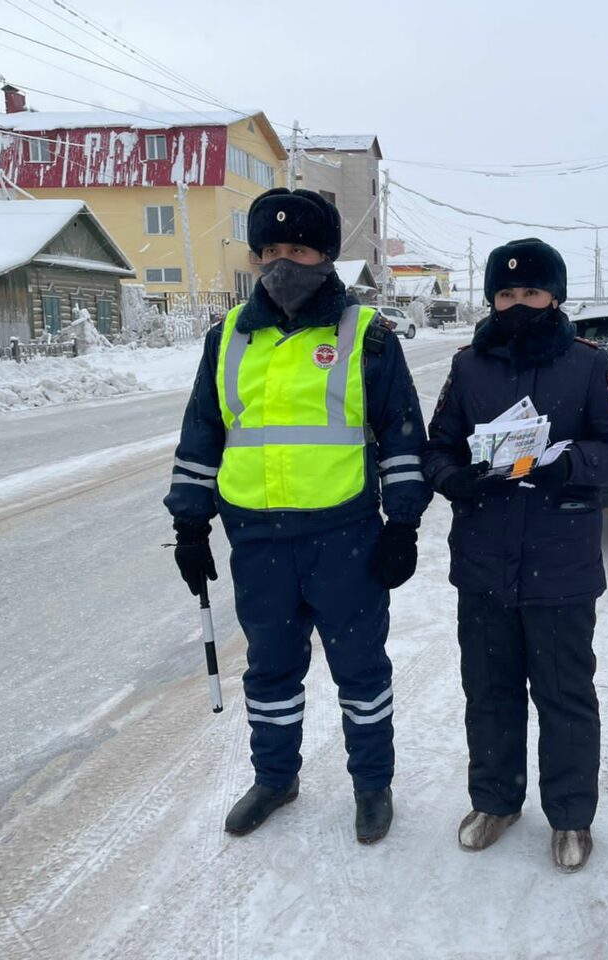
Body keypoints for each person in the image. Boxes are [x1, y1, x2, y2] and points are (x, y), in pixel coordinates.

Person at [164, 188, 431, 844]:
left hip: (344, 536)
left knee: (360, 674)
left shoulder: (365, 335)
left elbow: (400, 436)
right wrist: (189, 524)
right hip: (257, 541)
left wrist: (403, 524)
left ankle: (372, 786)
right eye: (272, 250)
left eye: (300, 249)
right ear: (257, 257)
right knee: (271, 671)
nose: (284, 261)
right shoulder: (226, 338)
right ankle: (275, 778)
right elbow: (204, 434)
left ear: (327, 255)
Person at [422, 238, 608, 872]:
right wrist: (453, 477)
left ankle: (572, 817)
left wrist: (571, 465)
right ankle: (495, 801)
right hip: (484, 562)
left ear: (555, 297)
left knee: (565, 695)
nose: (518, 303)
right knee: (488, 692)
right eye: (506, 293)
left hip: (561, 564)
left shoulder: (589, 366)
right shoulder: (469, 367)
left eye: (532, 292)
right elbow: (438, 448)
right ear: (491, 298)